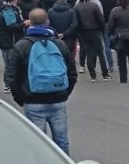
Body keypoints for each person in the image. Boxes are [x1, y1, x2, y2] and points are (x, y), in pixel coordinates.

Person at [5, 9, 77, 155]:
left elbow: (11, 76)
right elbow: (72, 72)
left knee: (39, 144)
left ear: (29, 23)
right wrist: (65, 93)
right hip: (58, 98)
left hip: (33, 100)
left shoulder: (21, 45)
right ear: (47, 22)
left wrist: (21, 98)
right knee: (62, 141)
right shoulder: (59, 44)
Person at [74, 0, 111, 81]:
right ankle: (105, 74)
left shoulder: (77, 7)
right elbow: (101, 19)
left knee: (89, 53)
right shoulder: (94, 5)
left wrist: (79, 33)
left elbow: (76, 22)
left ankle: (92, 75)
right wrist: (102, 29)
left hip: (84, 32)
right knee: (100, 53)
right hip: (95, 31)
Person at [0, 0, 27, 92]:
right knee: (10, 64)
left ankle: (11, 83)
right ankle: (8, 84)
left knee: (10, 63)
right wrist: (24, 24)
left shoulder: (9, 9)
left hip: (7, 40)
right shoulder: (8, 11)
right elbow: (11, 26)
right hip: (9, 41)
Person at [108, 0, 129, 84]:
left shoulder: (115, 11)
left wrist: (112, 33)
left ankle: (123, 78)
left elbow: (110, 25)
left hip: (120, 37)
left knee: (121, 59)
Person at [96, 0, 118, 73]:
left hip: (103, 22)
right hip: (113, 22)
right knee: (117, 42)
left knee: (106, 44)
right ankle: (120, 62)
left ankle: (110, 64)